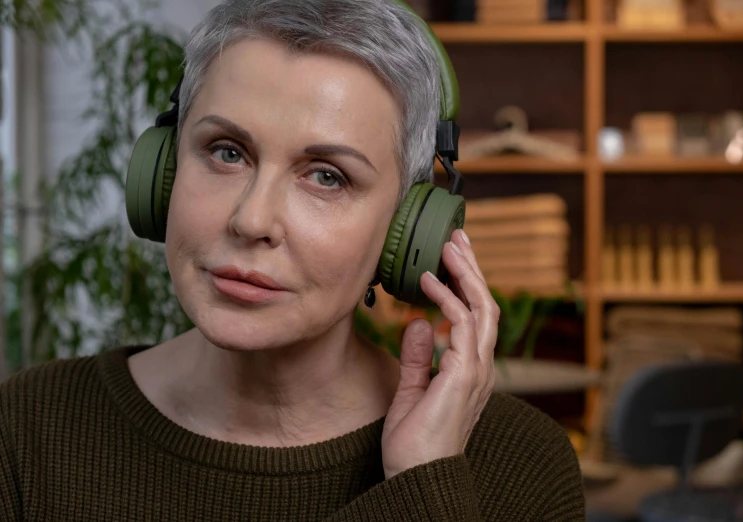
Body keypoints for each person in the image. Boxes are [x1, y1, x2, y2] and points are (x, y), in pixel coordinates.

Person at [0, 0, 585, 520]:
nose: (251, 220)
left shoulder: (519, 465)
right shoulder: (26, 432)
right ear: (164, 173)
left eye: (327, 176)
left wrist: (421, 484)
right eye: (226, 152)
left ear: (407, 231)